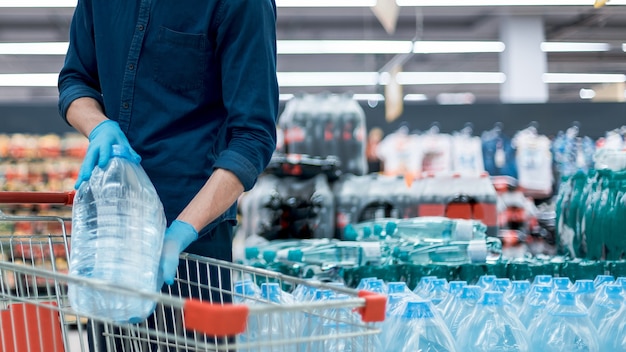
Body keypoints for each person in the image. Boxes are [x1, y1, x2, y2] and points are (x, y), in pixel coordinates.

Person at [58, 0, 279, 350]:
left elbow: (252, 137)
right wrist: (99, 126)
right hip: (115, 239)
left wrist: (181, 232)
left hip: (193, 249)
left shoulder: (242, 4)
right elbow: (75, 79)